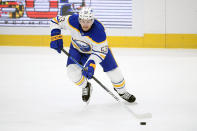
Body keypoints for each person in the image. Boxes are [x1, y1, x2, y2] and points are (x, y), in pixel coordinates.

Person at [50, 7, 136, 103]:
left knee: (115, 74)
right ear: (79, 19)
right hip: (77, 49)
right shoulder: (72, 20)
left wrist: (91, 63)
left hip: (98, 51)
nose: (85, 24)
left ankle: (122, 92)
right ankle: (86, 86)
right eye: (82, 21)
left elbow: (100, 52)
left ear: (92, 20)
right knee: (72, 73)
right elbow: (55, 21)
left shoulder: (99, 31)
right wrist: (55, 35)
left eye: (88, 21)